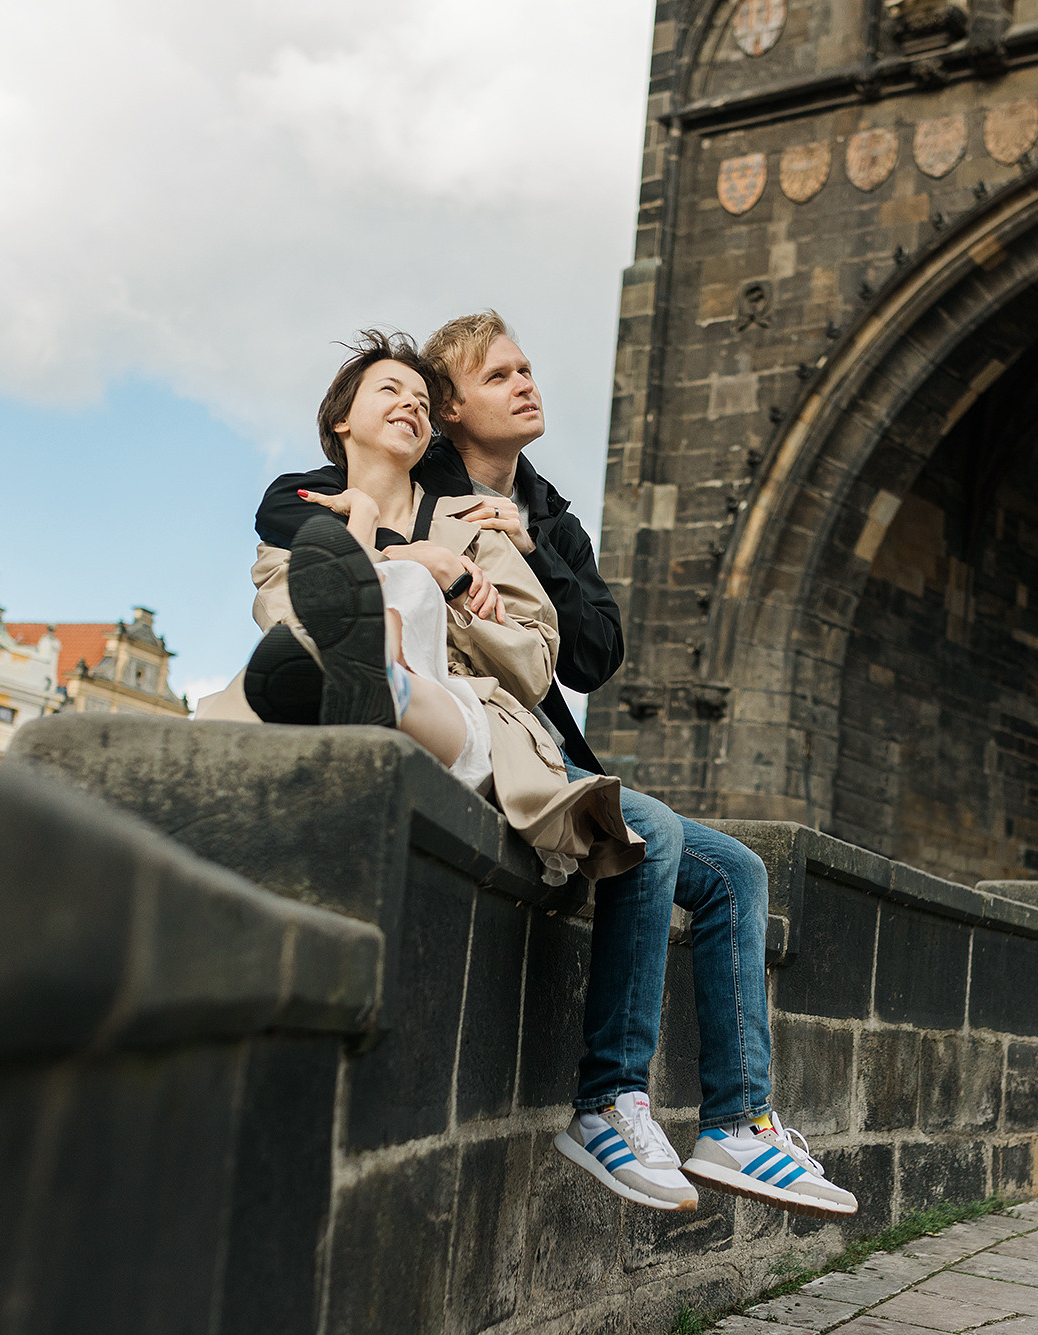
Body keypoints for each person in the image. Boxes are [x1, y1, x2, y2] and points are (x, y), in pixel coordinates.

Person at [413, 311, 857, 1220]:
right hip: (476, 734)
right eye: (499, 376)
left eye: (527, 367)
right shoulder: (421, 487)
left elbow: (595, 655)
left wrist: (534, 551)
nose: (526, 383)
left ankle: (739, 1123)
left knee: (736, 868)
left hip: (545, 745)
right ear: (449, 406)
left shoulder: (549, 515)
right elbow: (297, 499)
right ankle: (610, 1100)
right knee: (646, 830)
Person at [233, 331, 642, 882]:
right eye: (389, 390)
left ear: (432, 431)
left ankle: (382, 679)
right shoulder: (310, 514)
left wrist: (454, 591)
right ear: (341, 420)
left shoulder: (488, 521)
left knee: (419, 624)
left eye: (420, 401)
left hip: (467, 713)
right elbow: (287, 614)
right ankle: (375, 675)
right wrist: (393, 549)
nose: (409, 404)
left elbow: (556, 658)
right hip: (336, 688)